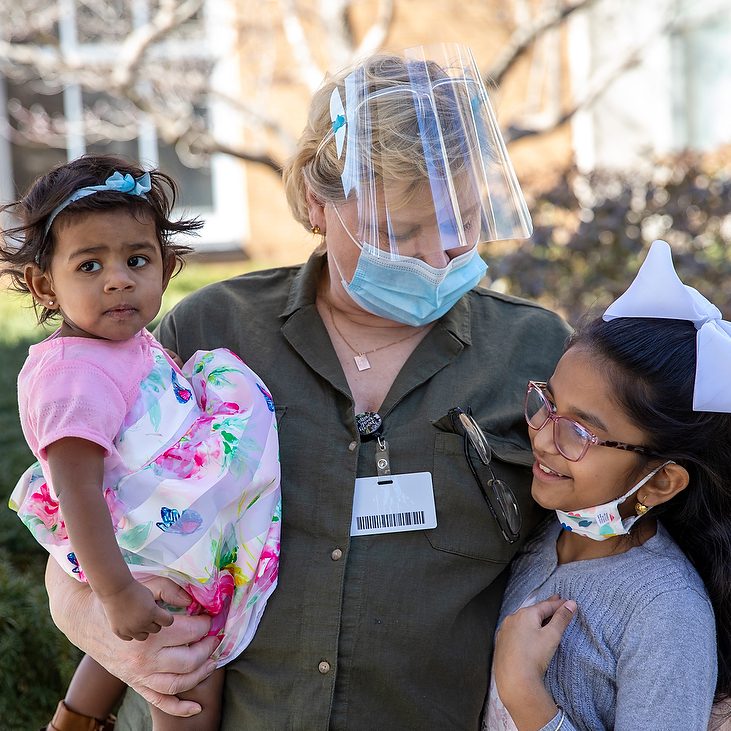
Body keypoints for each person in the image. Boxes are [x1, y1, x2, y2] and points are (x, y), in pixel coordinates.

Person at [43, 45, 571, 730]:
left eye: (461, 223)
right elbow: (74, 524)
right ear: (316, 205)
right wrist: (98, 623)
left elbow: (620, 542)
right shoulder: (206, 330)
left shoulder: (534, 353)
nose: (438, 256)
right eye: (400, 231)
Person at [1, 155, 281, 731]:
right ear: (43, 283)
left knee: (169, 649)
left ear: (167, 266)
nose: (118, 279)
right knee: (186, 673)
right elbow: (74, 488)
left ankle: (76, 719)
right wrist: (116, 589)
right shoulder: (74, 375)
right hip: (134, 547)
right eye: (89, 265)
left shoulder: (120, 347)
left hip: (154, 538)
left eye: (136, 259)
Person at [487, 240, 731, 730]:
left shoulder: (666, 613)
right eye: (546, 403)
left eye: (579, 431)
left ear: (661, 481)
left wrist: (525, 694)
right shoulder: (540, 536)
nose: (543, 438)